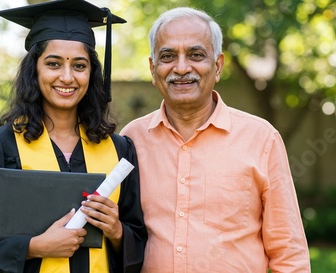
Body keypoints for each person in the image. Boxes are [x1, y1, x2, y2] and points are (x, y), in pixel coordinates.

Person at [0, 1, 146, 272]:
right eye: (53, 64)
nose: (67, 77)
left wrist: (118, 232)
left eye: (79, 65)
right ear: (35, 70)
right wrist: (33, 248)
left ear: (91, 73)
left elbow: (141, 241)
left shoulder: (119, 150)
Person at [120, 7, 310, 273]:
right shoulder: (130, 140)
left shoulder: (261, 138)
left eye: (196, 55)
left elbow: (288, 251)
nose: (182, 67)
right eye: (168, 56)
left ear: (217, 65)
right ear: (153, 68)